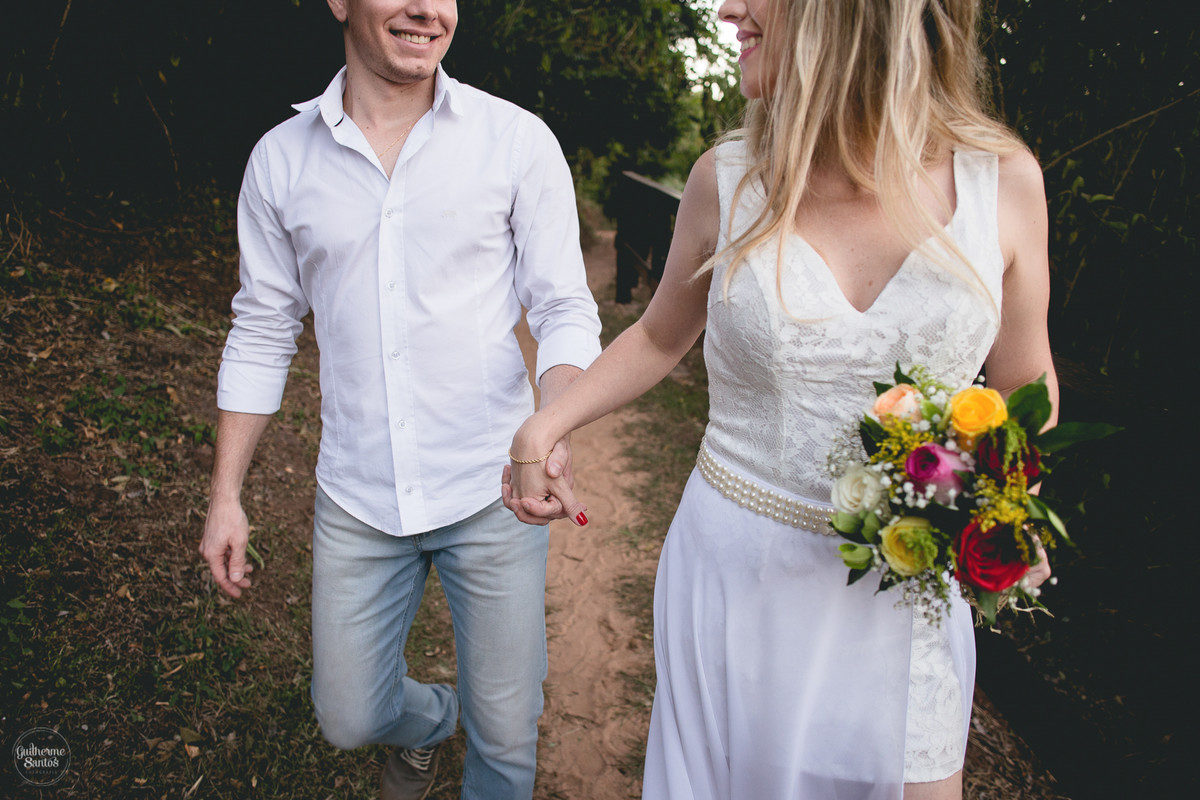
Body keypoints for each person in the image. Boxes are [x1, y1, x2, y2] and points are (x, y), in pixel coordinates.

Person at [502, 0, 1056, 797]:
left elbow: (1026, 385)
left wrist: (1005, 497)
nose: (729, 8)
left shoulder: (1005, 184)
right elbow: (659, 335)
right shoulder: (726, 177)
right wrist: (546, 424)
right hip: (735, 575)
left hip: (906, 591)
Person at [198, 1, 602, 798]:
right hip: (358, 496)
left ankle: (481, 734)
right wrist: (225, 496)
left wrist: (553, 426)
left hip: (492, 489)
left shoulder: (515, 140)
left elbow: (562, 308)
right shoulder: (281, 161)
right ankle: (428, 724)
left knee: (506, 733)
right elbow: (262, 329)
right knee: (348, 716)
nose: (426, 9)